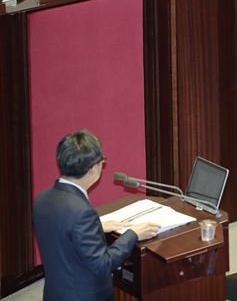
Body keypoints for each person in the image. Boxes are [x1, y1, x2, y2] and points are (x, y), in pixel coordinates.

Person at [33, 129, 160, 301]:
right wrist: (133, 234)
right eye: (102, 161)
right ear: (93, 169)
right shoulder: (81, 212)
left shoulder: (42, 199)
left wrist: (96, 226)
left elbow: (63, 236)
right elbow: (102, 264)